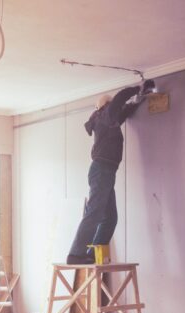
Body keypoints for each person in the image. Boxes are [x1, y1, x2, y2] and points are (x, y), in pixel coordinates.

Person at [67, 79, 155, 264]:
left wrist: (139, 100)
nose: (117, 108)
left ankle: (91, 254)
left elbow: (124, 111)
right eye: (113, 106)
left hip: (106, 171)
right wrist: (137, 88)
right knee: (95, 213)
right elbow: (120, 100)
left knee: (110, 218)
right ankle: (75, 254)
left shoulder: (108, 121)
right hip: (101, 170)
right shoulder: (105, 115)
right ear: (106, 106)